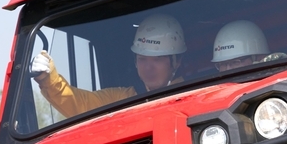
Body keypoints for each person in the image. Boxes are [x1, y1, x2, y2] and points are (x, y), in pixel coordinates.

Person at [32, 14, 186, 117]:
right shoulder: (121, 98)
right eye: (142, 59)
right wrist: (48, 80)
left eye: (157, 59)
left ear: (176, 62)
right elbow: (80, 103)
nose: (148, 67)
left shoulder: (192, 93)